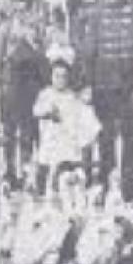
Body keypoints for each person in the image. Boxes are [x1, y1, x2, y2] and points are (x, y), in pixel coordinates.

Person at [85, 0, 133, 200]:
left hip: (129, 87)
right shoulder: (95, 15)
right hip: (102, 88)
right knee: (105, 138)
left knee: (130, 138)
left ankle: (128, 188)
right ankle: (105, 184)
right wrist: (86, 85)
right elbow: (88, 54)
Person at [0, 0, 48, 188]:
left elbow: (43, 58)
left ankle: (26, 171)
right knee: (9, 131)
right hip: (11, 85)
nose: (22, 10)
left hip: (30, 87)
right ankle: (9, 170)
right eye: (19, 5)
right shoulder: (4, 29)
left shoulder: (36, 30)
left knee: (28, 131)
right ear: (13, 7)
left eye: (25, 6)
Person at [33, 54, 101, 194]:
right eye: (56, 76)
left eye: (64, 77)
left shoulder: (72, 96)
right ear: (51, 77)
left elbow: (85, 117)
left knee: (69, 175)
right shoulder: (46, 94)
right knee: (45, 176)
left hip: (67, 145)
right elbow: (36, 110)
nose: (60, 80)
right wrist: (48, 111)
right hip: (49, 145)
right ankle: (44, 188)